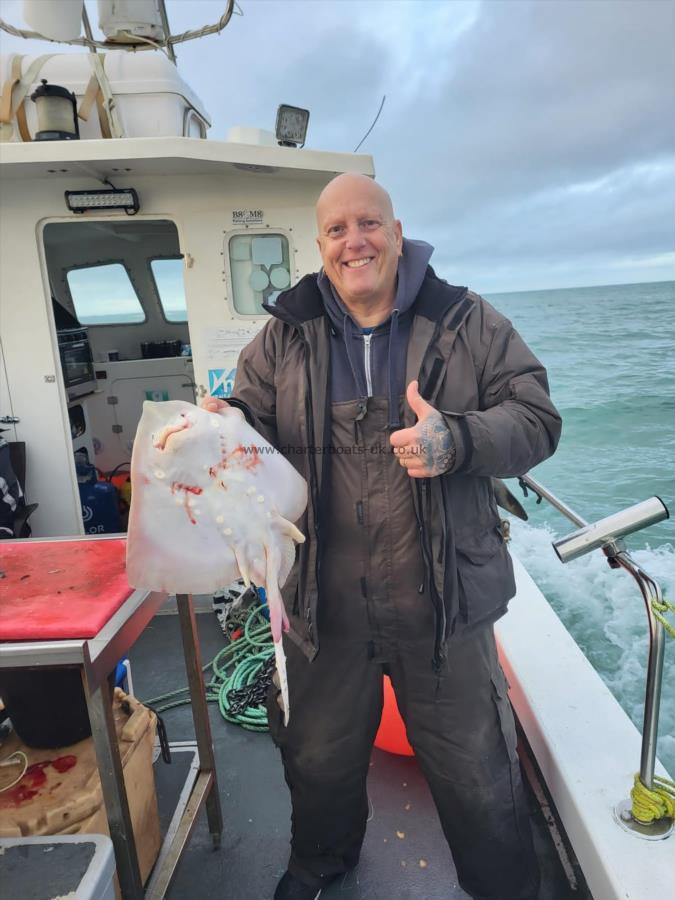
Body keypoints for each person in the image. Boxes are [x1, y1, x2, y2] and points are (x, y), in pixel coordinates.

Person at [204, 174, 561, 900]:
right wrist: (226, 420)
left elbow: (537, 418)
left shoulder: (467, 320)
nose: (353, 241)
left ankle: (504, 888)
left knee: (475, 764)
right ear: (320, 245)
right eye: (336, 230)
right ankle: (319, 864)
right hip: (323, 601)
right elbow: (251, 420)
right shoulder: (283, 335)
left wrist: (456, 439)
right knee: (316, 754)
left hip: (443, 602)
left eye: (368, 224)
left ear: (397, 235)